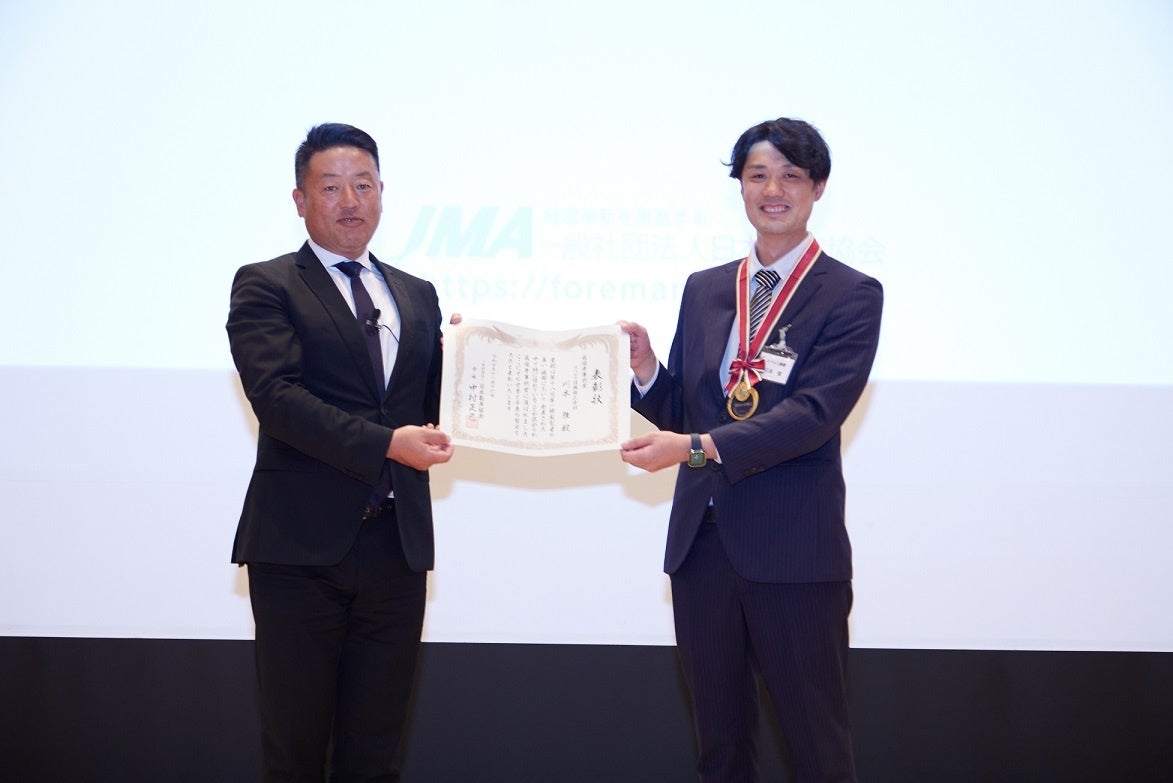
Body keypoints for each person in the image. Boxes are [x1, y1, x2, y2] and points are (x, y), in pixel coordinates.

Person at [620, 118, 883, 783]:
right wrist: (647, 370)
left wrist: (697, 446)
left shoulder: (851, 293)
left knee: (816, 752)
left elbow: (813, 416)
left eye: (791, 176)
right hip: (702, 550)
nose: (773, 190)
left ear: (818, 188)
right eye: (758, 175)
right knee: (721, 751)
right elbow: (688, 412)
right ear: (739, 186)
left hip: (793, 554)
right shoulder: (706, 287)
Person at [226, 122, 454, 782]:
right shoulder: (266, 284)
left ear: (382, 191)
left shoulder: (416, 294)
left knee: (375, 751)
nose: (350, 201)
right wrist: (387, 444)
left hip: (395, 549)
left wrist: (475, 364)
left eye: (363, 185)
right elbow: (277, 399)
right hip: (300, 552)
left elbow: (431, 405)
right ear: (300, 199)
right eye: (330, 187)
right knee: (295, 749)